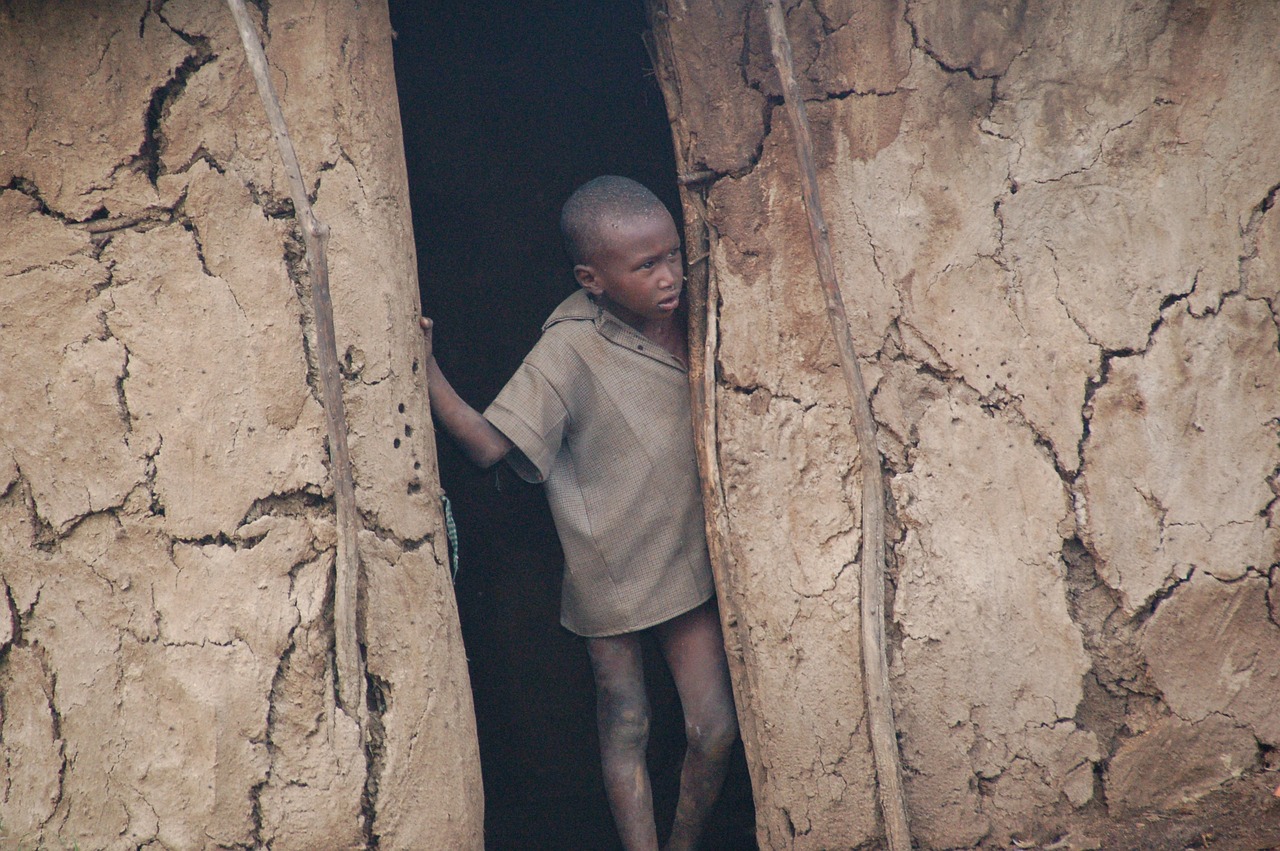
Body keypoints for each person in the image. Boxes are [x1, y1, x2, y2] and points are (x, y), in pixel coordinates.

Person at [419, 175, 738, 850]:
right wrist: (425, 369)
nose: (669, 275)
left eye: (674, 255)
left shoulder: (707, 305)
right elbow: (485, 447)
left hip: (690, 560)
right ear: (592, 278)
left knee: (713, 729)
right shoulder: (568, 348)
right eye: (646, 265)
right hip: (610, 568)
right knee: (626, 721)